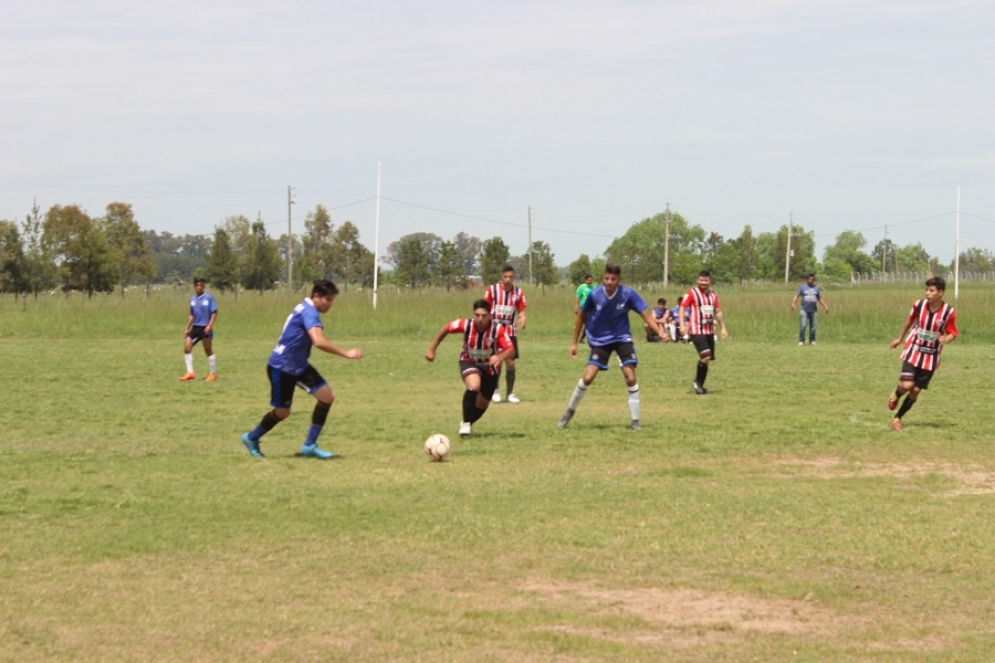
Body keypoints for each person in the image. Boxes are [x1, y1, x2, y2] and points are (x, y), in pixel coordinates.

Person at [240, 280, 363, 459]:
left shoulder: (306, 308)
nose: (330, 304)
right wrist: (347, 353)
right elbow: (318, 341)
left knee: (327, 397)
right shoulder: (309, 312)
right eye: (328, 299)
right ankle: (251, 437)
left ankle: (310, 445)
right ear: (316, 296)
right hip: (282, 367)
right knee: (283, 413)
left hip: (298, 365)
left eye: (332, 300)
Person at [557, 263, 666, 431]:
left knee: (630, 376)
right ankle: (569, 412)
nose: (609, 282)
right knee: (588, 378)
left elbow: (645, 314)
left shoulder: (628, 294)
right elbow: (581, 317)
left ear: (619, 280)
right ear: (603, 278)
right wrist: (574, 343)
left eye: (613, 279)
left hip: (622, 338)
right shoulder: (595, 295)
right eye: (606, 278)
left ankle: (635, 422)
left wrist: (660, 332)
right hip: (600, 340)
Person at [426, 299, 516, 437]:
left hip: (490, 368)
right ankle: (467, 424)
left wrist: (500, 357)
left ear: (490, 315)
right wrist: (432, 349)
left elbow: (511, 350)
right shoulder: (466, 324)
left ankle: (466, 422)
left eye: (484, 315)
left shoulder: (497, 329)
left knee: (483, 404)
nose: (480, 319)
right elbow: (446, 328)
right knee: (474, 386)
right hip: (469, 361)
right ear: (473, 314)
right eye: (477, 315)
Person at [886, 276, 957, 431]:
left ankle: (897, 417)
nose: (927, 293)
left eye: (931, 291)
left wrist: (946, 338)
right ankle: (897, 393)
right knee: (907, 385)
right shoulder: (918, 305)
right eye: (926, 290)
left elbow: (953, 332)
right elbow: (909, 321)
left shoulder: (948, 312)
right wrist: (899, 338)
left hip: (931, 356)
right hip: (914, 350)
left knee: (916, 390)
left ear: (940, 292)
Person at [679, 270, 729, 395]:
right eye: (701, 280)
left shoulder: (713, 295)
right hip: (696, 330)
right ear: (697, 280)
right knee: (705, 356)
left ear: (710, 281)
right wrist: (681, 324)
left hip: (709, 330)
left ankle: (700, 385)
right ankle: (697, 383)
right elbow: (682, 307)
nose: (703, 283)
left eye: (706, 280)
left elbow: (717, 311)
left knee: (707, 358)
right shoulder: (692, 293)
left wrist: (723, 327)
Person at [484, 265, 527, 403]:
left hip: (510, 332)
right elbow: (484, 307)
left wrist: (522, 317)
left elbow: (520, 310)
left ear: (514, 277)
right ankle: (495, 390)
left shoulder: (518, 293)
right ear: (501, 277)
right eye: (505, 277)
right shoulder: (492, 290)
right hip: (494, 331)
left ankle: (509, 394)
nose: (508, 279)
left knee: (510, 363)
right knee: (496, 362)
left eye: (510, 277)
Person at [180, 277, 218, 381]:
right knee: (187, 348)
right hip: (195, 328)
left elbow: (214, 313)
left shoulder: (209, 298)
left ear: (204, 286)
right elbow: (191, 314)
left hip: (205, 328)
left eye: (201, 285)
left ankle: (213, 374)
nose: (199, 287)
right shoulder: (192, 299)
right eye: (197, 285)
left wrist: (210, 325)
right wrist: (186, 328)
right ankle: (190, 373)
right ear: (194, 286)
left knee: (207, 350)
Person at [791, 273, 830, 345]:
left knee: (813, 327)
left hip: (813, 310)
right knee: (803, 325)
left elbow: (820, 299)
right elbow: (797, 296)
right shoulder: (802, 287)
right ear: (806, 279)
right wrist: (793, 303)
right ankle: (801, 340)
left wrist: (825, 306)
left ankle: (812, 340)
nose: (810, 281)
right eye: (809, 279)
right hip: (804, 310)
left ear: (814, 280)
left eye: (812, 279)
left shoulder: (816, 288)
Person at [574, 273, 595, 342]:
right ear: (585, 280)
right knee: (588, 323)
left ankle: (583, 338)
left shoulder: (593, 288)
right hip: (584, 307)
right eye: (588, 280)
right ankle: (586, 338)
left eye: (591, 280)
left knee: (589, 324)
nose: (590, 281)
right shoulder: (582, 287)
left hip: (591, 308)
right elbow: (577, 297)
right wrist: (576, 306)